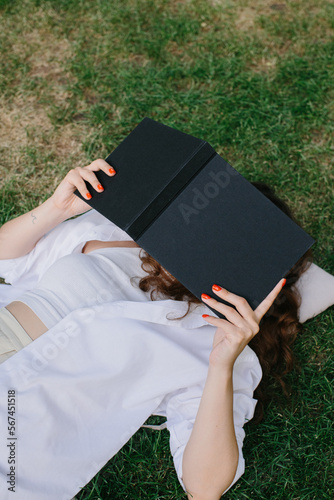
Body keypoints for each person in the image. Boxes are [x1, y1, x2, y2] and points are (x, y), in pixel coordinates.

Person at [0, 159, 312, 500]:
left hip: (23, 415)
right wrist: (55, 210)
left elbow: (203, 487)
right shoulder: (117, 235)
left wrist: (221, 366)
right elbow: (8, 258)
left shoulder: (216, 340)